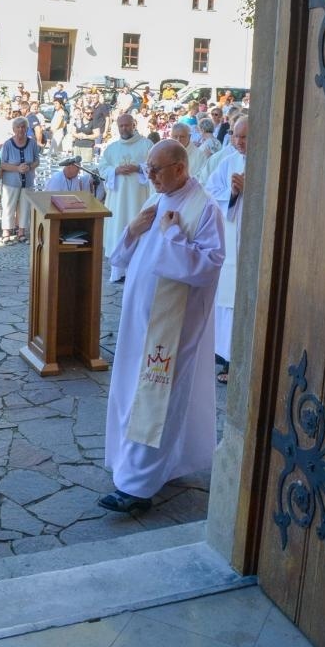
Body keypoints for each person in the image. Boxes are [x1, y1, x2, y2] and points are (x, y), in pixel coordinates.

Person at [99, 139, 225, 512]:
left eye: (155, 169)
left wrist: (172, 235)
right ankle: (144, 465)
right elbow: (122, 257)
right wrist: (133, 230)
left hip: (173, 325)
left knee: (157, 398)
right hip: (139, 320)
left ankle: (138, 488)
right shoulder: (156, 199)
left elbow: (209, 266)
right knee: (132, 391)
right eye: (147, 168)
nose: (149, 175)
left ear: (180, 168)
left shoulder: (205, 208)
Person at [204, 114, 247, 385]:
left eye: (245, 137)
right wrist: (231, 194)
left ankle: (237, 358)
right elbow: (210, 191)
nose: (239, 142)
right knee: (226, 296)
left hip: (249, 240)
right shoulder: (228, 161)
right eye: (236, 136)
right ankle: (223, 353)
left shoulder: (266, 162)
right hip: (230, 240)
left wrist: (249, 189)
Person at [99, 114, 153, 283]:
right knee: (118, 229)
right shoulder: (112, 148)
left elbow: (154, 166)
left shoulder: (146, 145)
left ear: (133, 125)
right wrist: (115, 170)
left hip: (138, 199)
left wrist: (139, 168)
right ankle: (118, 272)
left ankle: (135, 272)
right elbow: (102, 168)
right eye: (121, 126)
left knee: (137, 230)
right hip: (118, 200)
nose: (124, 128)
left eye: (127, 125)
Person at [0, 116, 40, 242]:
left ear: (27, 129)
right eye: (18, 127)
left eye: (23, 127)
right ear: (13, 129)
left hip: (27, 181)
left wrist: (29, 167)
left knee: (25, 207)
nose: (21, 129)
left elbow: (37, 160)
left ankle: (21, 232)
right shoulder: (7, 144)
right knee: (8, 206)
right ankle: (6, 232)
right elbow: (2, 164)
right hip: (11, 181)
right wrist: (17, 168)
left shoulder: (32, 143)